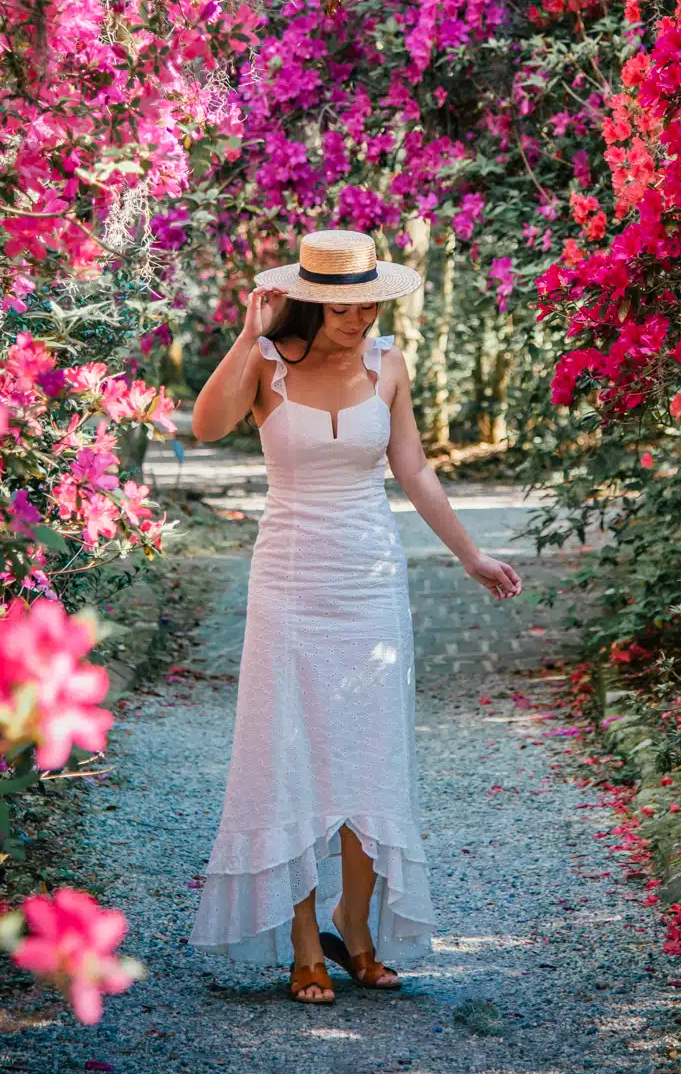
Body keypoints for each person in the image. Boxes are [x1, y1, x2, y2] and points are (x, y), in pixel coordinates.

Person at [187, 229, 522, 1003]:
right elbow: (207, 427)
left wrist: (470, 554)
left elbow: (413, 467)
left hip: (370, 578)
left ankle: (357, 925)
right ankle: (304, 942)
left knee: (370, 755)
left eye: (370, 299)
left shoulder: (390, 364)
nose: (360, 314)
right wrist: (246, 337)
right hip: (289, 577)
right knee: (290, 756)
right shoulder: (268, 364)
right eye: (344, 303)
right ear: (309, 298)